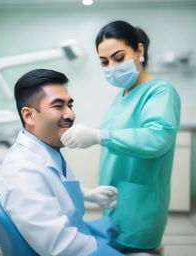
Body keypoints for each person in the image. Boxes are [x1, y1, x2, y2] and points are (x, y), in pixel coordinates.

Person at [61, 20, 181, 255]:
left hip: (141, 202)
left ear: (139, 50)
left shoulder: (160, 92)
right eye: (104, 62)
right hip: (115, 199)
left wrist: (98, 136)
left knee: (140, 248)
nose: (111, 67)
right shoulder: (123, 95)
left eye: (118, 57)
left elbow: (157, 138)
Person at [0, 69, 124, 256]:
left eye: (70, 105)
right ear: (29, 115)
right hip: (70, 246)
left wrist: (88, 194)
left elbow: (53, 187)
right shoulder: (22, 172)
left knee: (117, 228)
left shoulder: (46, 149)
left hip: (75, 228)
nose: (70, 115)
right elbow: (63, 247)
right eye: (58, 106)